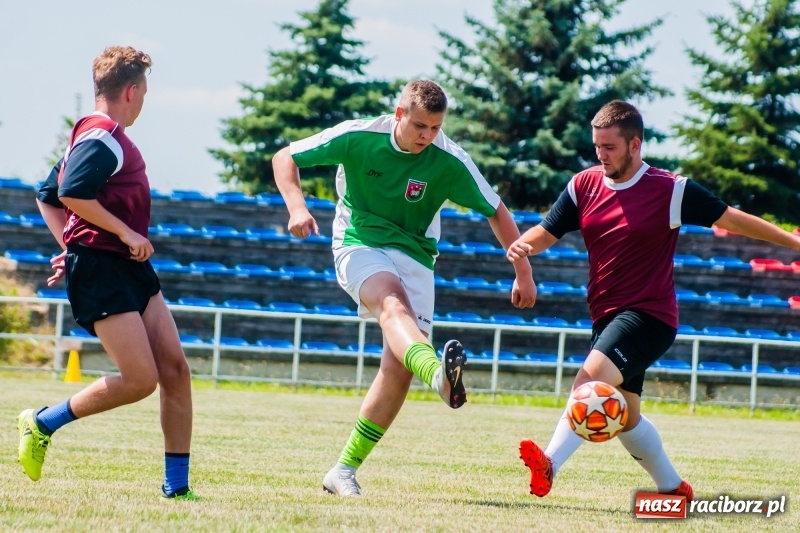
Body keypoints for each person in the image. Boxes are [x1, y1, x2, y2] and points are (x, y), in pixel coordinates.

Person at [507, 99, 800, 502]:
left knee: (588, 385)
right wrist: (522, 250)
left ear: (635, 144)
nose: (601, 155)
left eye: (610, 147)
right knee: (626, 417)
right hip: (606, 317)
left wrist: (793, 242)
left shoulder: (671, 190)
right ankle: (673, 489)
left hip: (650, 315)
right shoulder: (583, 185)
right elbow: (547, 230)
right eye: (597, 146)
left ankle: (550, 463)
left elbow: (731, 217)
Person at [272, 79, 537, 496]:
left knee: (398, 368)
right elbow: (285, 156)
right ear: (399, 115)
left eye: (435, 128)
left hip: (417, 257)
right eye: (419, 126)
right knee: (392, 305)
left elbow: (496, 210)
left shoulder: (450, 160)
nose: (427, 136)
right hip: (360, 240)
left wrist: (524, 272)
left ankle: (342, 471)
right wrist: (297, 207)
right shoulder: (360, 136)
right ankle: (438, 376)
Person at [20, 46, 195, 500]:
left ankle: (177, 489)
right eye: (145, 94)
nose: (143, 104)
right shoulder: (104, 135)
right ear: (131, 91)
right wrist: (120, 234)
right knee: (140, 380)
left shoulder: (93, 135)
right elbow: (70, 193)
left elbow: (47, 195)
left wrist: (69, 245)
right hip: (103, 269)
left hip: (126, 266)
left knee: (175, 370)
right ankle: (42, 423)